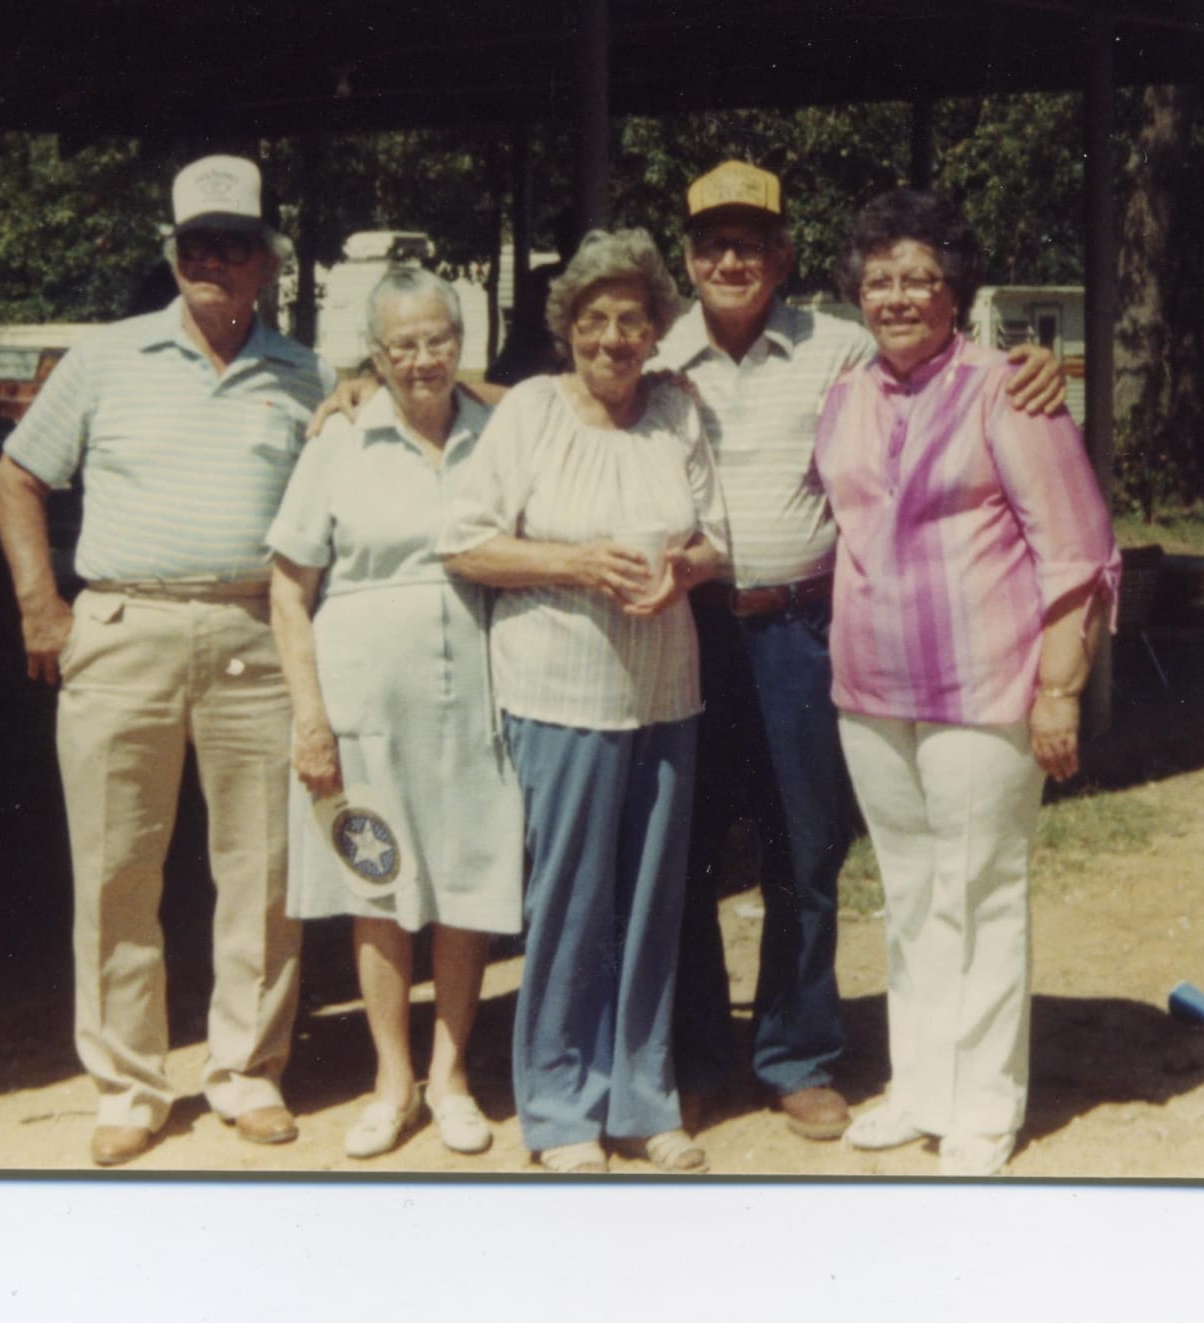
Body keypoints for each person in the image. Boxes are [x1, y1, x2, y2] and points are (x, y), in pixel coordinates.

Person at [658, 160, 1067, 1141]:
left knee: (806, 848)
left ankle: (797, 1053)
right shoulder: (657, 352)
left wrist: (1033, 362)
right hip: (698, 624)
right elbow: (562, 389)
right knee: (694, 849)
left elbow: (947, 358)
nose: (730, 259)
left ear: (785, 257)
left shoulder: (837, 348)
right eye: (712, 243)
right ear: (688, 258)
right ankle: (704, 1057)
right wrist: (376, 383)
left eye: (750, 243)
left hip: (805, 628)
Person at [0, 154, 336, 1168]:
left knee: (262, 869)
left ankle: (246, 1070)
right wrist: (39, 606)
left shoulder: (309, 375)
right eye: (197, 243)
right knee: (114, 870)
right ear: (174, 254)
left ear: (269, 261)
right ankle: (129, 1085)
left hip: (254, 635)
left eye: (236, 243)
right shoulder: (105, 359)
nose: (215, 260)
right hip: (123, 628)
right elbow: (16, 475)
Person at [813, 188, 1118, 1175]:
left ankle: (984, 1106)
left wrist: (1059, 687)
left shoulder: (1008, 389)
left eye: (919, 278)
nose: (898, 296)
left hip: (986, 685)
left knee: (983, 886)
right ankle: (920, 1086)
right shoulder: (846, 390)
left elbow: (1077, 552)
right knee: (908, 889)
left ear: (955, 292)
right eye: (880, 279)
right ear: (858, 294)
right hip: (869, 686)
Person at [440, 229, 729, 1173]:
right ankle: (561, 1108)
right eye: (595, 320)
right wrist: (575, 562)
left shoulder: (678, 412)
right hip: (558, 692)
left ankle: (641, 1099)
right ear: (568, 327)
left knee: (652, 901)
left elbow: (715, 538)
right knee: (569, 902)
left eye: (632, 321)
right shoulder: (529, 412)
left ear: (657, 331)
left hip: (664, 690)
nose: (613, 338)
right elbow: (466, 542)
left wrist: (680, 573)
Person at [267, 267, 523, 1161]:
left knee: (467, 881)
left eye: (438, 340)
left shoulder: (498, 433)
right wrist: (310, 717)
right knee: (374, 886)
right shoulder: (340, 441)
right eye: (402, 344)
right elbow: (288, 589)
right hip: (363, 701)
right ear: (375, 354)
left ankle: (450, 1077)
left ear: (462, 343)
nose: (423, 359)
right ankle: (391, 1080)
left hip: (478, 695)